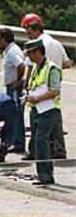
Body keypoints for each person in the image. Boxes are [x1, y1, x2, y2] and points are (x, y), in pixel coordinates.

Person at [21, 13, 70, 160]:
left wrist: (26, 87)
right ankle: (59, 150)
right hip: (54, 89)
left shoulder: (36, 46)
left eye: (28, 32)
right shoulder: (56, 43)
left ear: (35, 29)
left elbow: (29, 68)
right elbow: (67, 64)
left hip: (40, 91)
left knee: (38, 123)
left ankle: (36, 152)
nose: (28, 35)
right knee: (55, 120)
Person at [24, 39, 61, 185]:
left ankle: (46, 176)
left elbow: (55, 91)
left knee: (42, 142)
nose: (29, 57)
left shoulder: (51, 69)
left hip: (48, 110)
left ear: (37, 52)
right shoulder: (36, 67)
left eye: (30, 53)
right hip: (36, 109)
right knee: (38, 142)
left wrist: (37, 97)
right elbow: (35, 85)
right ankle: (43, 174)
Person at [0, 28, 26, 153]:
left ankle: (18, 143)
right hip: (11, 86)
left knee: (16, 114)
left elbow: (21, 65)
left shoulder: (12, 52)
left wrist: (17, 80)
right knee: (13, 113)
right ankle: (14, 141)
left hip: (14, 87)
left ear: (4, 39)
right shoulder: (11, 50)